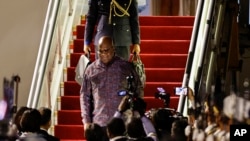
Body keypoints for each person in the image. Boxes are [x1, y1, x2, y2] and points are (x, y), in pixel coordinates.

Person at [80, 36, 141, 132]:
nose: (104, 54)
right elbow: (85, 96)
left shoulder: (125, 67)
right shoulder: (91, 70)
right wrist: (86, 121)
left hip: (122, 123)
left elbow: (138, 90)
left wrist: (136, 115)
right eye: (101, 51)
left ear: (113, 49)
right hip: (100, 123)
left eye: (106, 50)